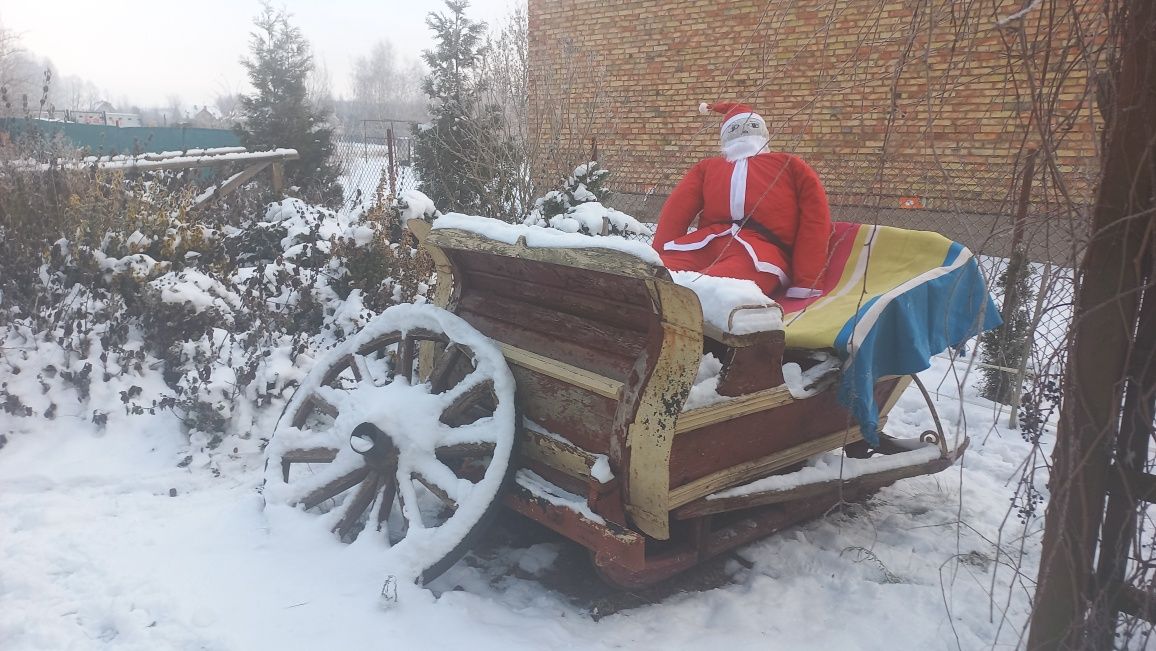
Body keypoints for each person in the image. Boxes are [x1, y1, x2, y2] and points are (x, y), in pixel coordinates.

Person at [652, 101, 833, 299]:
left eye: (751, 126)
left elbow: (815, 220)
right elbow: (677, 211)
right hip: (704, 243)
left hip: (760, 252)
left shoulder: (790, 166)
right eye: (735, 128)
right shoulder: (707, 168)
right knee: (659, 274)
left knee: (716, 288)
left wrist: (807, 279)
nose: (743, 132)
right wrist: (657, 256)